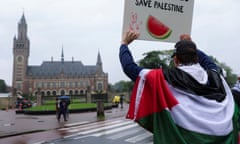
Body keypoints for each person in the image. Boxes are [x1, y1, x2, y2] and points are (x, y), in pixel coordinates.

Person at [119, 30, 239, 144]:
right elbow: (210, 63)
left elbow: (130, 68)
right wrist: (192, 46)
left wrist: (124, 44)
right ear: (197, 57)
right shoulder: (217, 77)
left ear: (176, 59)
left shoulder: (164, 79)